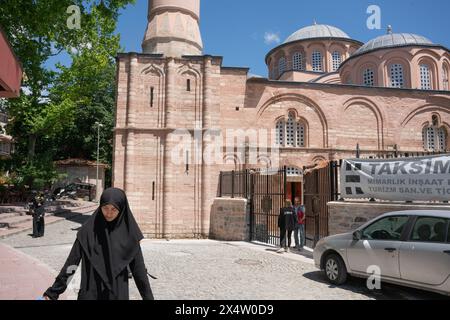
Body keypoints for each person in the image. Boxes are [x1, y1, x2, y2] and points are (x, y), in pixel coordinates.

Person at [42, 188, 154, 300]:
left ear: (122, 209)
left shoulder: (130, 237)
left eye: (114, 209)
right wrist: (54, 292)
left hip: (117, 295)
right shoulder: (87, 232)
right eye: (105, 208)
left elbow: (139, 273)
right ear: (100, 207)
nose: (109, 213)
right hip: (90, 293)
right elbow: (71, 264)